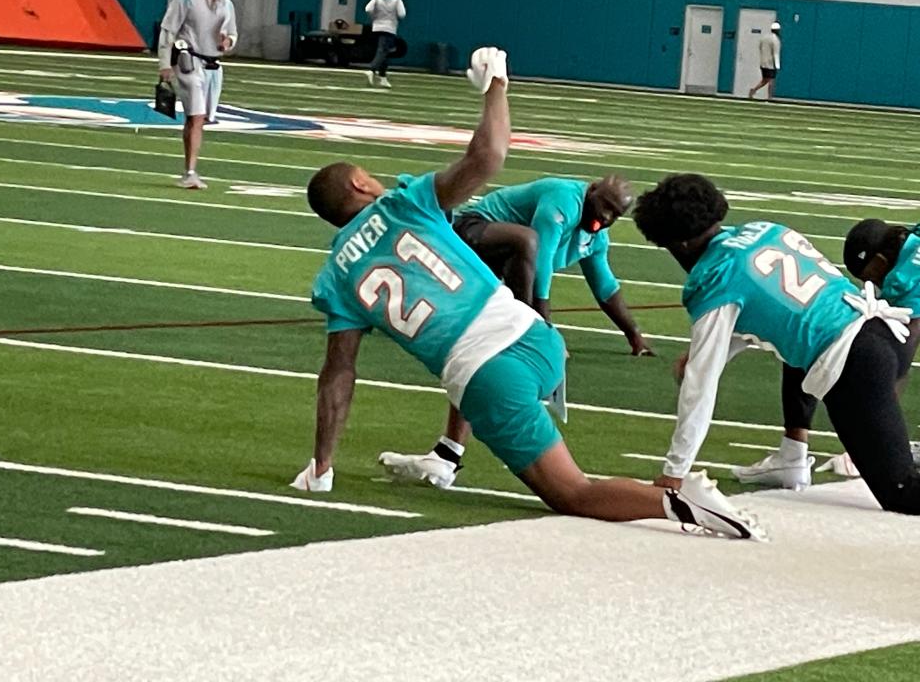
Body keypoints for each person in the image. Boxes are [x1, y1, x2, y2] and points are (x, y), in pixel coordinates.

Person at [289, 48, 761, 540]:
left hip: (490, 373)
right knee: (466, 351)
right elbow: (489, 156)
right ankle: (447, 456)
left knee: (571, 492)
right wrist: (497, 87)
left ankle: (681, 502)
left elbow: (338, 374)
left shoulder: (336, 278)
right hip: (537, 340)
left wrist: (322, 464)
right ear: (361, 183)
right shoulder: (406, 203)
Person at [633, 173, 920, 515]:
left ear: (677, 243)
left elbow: (700, 388)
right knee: (794, 340)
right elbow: (779, 315)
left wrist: (674, 473)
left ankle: (795, 454)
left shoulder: (714, 279)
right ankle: (791, 455)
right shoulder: (766, 230)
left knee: (904, 493)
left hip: (854, 367)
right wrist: (703, 355)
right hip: (882, 334)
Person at [379, 175, 654, 489]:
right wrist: (539, 322)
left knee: (483, 359)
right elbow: (541, 258)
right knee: (527, 244)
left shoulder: (594, 237)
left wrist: (634, 334)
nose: (606, 217)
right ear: (592, 190)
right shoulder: (565, 199)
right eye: (605, 205)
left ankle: (448, 454)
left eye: (615, 214)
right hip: (475, 231)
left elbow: (605, 285)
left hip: (505, 264)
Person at [733, 219, 920, 488]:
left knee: (859, 345)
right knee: (816, 333)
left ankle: (793, 452)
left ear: (881, 260)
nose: (874, 285)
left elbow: (898, 359)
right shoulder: (911, 241)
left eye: (872, 277)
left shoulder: (907, 278)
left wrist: (879, 440)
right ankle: (792, 454)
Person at [158, 0, 238, 190]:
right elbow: (168, 30)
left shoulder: (227, 5)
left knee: (201, 119)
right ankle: (190, 171)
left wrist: (228, 42)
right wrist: (164, 64)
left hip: (213, 64)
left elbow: (232, 33)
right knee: (197, 116)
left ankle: (190, 169)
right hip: (188, 61)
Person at [364, 0, 406, 89]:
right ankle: (372, 70)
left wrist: (374, 17)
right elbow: (402, 14)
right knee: (382, 51)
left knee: (385, 52)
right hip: (389, 28)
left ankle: (383, 77)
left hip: (377, 27)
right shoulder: (397, 1)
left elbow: (368, 9)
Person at [749, 21, 781, 100]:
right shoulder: (776, 40)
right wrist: (777, 65)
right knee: (771, 80)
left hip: (763, 62)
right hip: (770, 63)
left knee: (765, 80)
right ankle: (769, 97)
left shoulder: (764, 38)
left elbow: (760, 47)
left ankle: (753, 90)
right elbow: (776, 53)